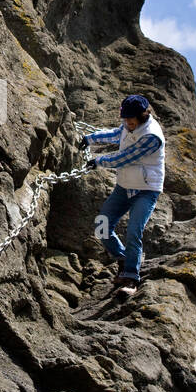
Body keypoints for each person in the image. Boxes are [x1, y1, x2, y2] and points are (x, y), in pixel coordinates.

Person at [80, 94, 165, 293]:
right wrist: (89, 139)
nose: (127, 123)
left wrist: (99, 161)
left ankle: (131, 278)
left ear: (143, 115)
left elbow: (126, 157)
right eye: (124, 119)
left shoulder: (151, 136)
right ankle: (123, 258)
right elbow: (115, 135)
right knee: (102, 224)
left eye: (131, 119)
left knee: (134, 231)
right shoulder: (127, 125)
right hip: (125, 185)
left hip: (146, 190)